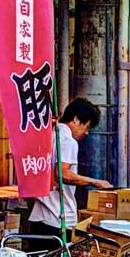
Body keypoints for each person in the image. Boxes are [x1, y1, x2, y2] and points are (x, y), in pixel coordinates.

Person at [29, 98, 113, 235]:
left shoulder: (48, 136)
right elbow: (63, 174)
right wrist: (96, 182)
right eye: (86, 127)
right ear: (75, 120)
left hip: (40, 215)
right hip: (58, 218)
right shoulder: (68, 141)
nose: (86, 133)